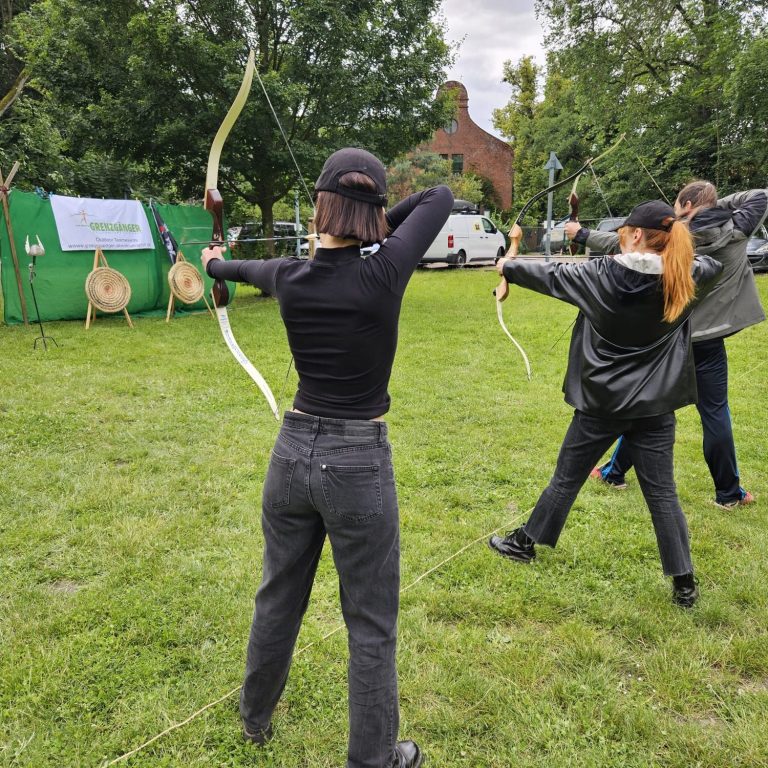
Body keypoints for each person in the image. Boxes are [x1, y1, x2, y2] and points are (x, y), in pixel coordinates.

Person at [202, 147, 453, 768]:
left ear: (318, 207)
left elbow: (232, 266)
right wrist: (372, 222)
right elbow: (438, 197)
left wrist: (214, 262)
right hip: (357, 461)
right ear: (370, 215)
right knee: (370, 621)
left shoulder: (289, 274)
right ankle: (374, 758)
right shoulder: (384, 270)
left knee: (277, 596)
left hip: (290, 453)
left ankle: (254, 719)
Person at [488, 201, 722, 607]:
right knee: (663, 494)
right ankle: (684, 584)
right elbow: (710, 265)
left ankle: (524, 543)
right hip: (654, 408)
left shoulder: (599, 275)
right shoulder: (689, 276)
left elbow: (530, 270)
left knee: (566, 479)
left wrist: (509, 257)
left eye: (622, 234)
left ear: (634, 235)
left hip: (601, 405)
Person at [566, 183, 767, 508]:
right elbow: (760, 196)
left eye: (677, 207)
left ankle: (613, 473)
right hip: (708, 342)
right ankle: (729, 494)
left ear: (685, 204)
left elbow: (624, 243)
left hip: (672, 338)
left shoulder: (675, 239)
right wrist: (711, 208)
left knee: (652, 408)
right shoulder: (736, 228)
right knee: (714, 413)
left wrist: (581, 233)